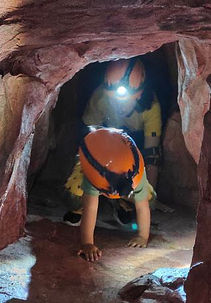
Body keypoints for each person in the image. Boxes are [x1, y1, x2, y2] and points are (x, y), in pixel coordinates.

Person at [63, 58, 162, 226]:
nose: (119, 106)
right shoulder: (100, 97)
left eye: (125, 100)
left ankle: (121, 202)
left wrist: (145, 203)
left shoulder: (151, 106)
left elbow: (152, 153)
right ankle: (85, 206)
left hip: (129, 162)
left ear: (139, 94)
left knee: (147, 199)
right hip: (101, 154)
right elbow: (86, 143)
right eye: (114, 100)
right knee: (74, 198)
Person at [75, 127, 153, 262]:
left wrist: (143, 236)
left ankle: (120, 204)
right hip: (98, 162)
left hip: (119, 174)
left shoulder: (137, 173)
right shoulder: (94, 172)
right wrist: (87, 243)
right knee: (74, 198)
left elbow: (142, 206)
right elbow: (90, 208)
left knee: (150, 198)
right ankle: (113, 202)